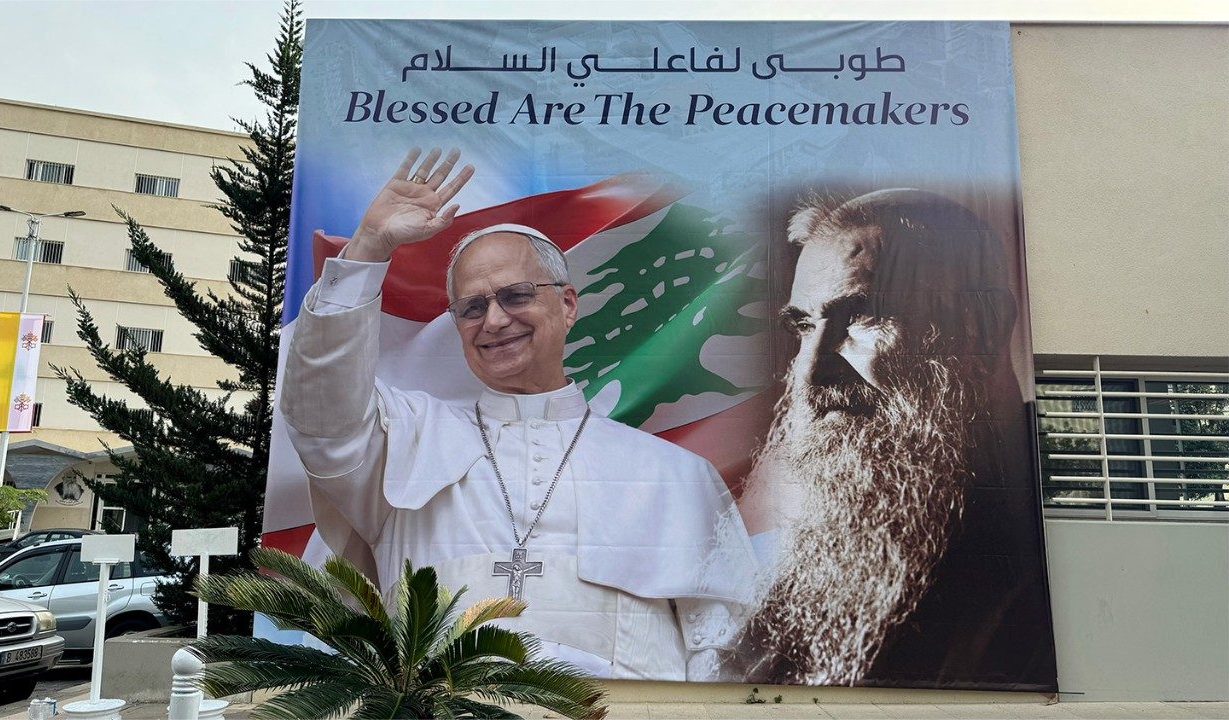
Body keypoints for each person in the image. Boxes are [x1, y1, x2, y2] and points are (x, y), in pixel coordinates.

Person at [280, 148, 756, 681]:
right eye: (472, 307)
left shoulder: (677, 476)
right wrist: (367, 249)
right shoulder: (405, 438)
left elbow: (725, 657)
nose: (494, 320)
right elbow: (321, 411)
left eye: (516, 296)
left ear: (568, 304)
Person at [726, 189, 1056, 690]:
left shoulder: (1057, 528)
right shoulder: (817, 545)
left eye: (862, 316)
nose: (810, 374)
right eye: (805, 327)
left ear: (984, 327)